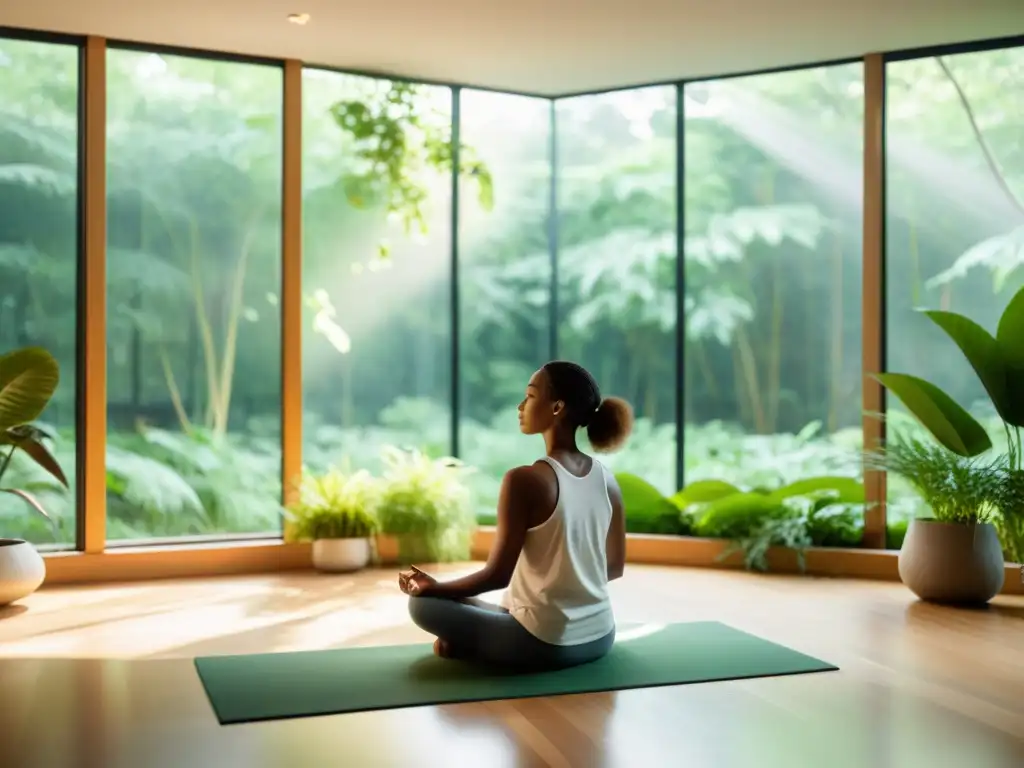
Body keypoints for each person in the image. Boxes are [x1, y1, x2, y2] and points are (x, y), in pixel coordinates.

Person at [398, 360, 633, 672]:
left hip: (545, 644)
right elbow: (614, 567)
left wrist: (433, 589)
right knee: (459, 600)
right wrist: (568, 589)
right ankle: (482, 637)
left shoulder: (524, 480)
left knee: (423, 606)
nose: (521, 405)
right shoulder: (608, 480)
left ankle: (476, 646)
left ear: (557, 407)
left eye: (531, 396)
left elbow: (498, 576)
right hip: (602, 635)